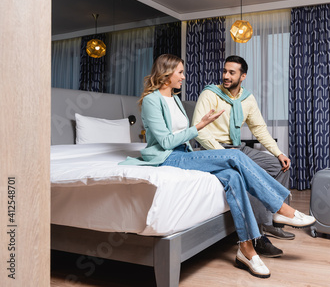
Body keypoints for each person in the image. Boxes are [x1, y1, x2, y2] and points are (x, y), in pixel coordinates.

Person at [120, 54, 315, 278]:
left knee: (233, 176)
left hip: (184, 153)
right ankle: (281, 208)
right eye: (180, 72)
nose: (184, 77)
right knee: (236, 157)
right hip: (167, 157)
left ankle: (246, 249)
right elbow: (165, 142)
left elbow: (185, 136)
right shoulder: (152, 101)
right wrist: (200, 125)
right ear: (167, 73)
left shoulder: (174, 98)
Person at [192, 55, 294, 258]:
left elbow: (260, 129)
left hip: (237, 148)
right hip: (213, 149)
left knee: (278, 165)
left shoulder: (247, 99)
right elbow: (199, 131)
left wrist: (278, 152)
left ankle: (270, 221)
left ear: (243, 76)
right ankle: (257, 236)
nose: (226, 76)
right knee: (246, 174)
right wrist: (226, 155)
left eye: (232, 72)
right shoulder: (210, 94)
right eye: (224, 71)